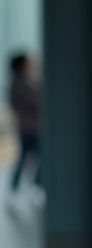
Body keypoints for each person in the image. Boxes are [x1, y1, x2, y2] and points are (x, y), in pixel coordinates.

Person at [7, 52, 43, 206]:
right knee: (27, 159)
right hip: (30, 128)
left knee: (32, 159)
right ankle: (23, 188)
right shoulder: (20, 84)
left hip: (31, 127)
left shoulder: (25, 82)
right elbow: (37, 102)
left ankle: (32, 187)